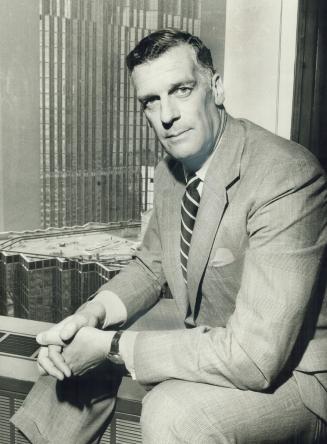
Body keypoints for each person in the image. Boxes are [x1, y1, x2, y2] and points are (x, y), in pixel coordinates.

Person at [11, 29, 327, 443]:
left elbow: (256, 357)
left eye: (180, 90)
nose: (166, 116)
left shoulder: (286, 175)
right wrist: (90, 318)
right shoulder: (169, 172)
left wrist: (112, 346)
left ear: (215, 88)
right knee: (73, 355)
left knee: (173, 412)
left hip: (298, 375)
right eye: (150, 101)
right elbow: (150, 265)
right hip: (218, 332)